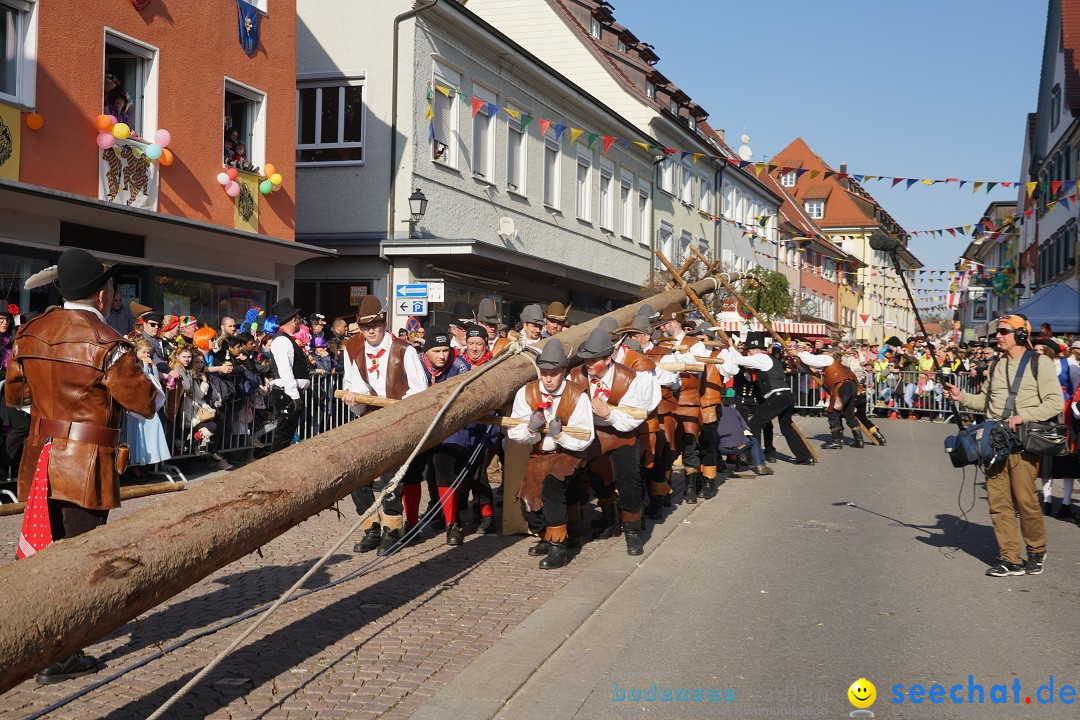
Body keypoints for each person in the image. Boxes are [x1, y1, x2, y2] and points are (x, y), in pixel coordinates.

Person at [6, 248, 160, 684]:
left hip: (39, 459)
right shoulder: (108, 342)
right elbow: (145, 402)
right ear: (100, 291)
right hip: (86, 464)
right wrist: (156, 389)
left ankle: (44, 643)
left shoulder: (29, 332)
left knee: (45, 554)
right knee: (79, 558)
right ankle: (60, 654)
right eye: (110, 286)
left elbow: (14, 396)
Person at [945, 314, 1064, 577]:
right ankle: (1011, 558)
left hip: (1022, 440)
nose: (998, 336)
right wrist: (961, 396)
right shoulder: (997, 365)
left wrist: (1024, 416)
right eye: (997, 332)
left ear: (1021, 335)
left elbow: (1055, 403)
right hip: (993, 442)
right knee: (998, 502)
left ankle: (1036, 549)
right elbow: (985, 402)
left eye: (1003, 331)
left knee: (1025, 500)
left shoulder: (1039, 362)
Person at [341, 296, 428, 555]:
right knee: (358, 476)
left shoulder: (404, 349)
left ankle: (392, 529)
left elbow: (420, 389)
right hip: (368, 417)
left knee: (392, 478)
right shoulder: (352, 347)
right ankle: (371, 529)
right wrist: (352, 396)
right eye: (366, 327)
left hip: (397, 419)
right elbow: (352, 382)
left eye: (376, 325)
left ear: (384, 323)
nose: (371, 331)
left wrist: (398, 408)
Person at [568, 327, 659, 555]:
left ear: (608, 359)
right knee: (598, 479)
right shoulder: (577, 376)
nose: (588, 364)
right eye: (586, 359)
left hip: (622, 433)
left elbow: (632, 419)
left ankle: (632, 532)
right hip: (593, 433)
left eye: (594, 360)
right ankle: (610, 522)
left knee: (629, 481)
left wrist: (608, 414)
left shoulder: (629, 378)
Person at [507, 340, 593, 568]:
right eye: (544, 373)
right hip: (540, 454)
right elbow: (515, 433)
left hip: (568, 453)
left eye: (553, 374)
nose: (547, 379)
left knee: (553, 487)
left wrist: (560, 436)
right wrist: (530, 429)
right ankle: (547, 536)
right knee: (528, 500)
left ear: (563, 372)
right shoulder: (526, 393)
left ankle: (558, 548)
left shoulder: (577, 396)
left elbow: (586, 437)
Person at [418, 328, 473, 544]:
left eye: (445, 350)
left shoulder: (460, 366)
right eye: (436, 351)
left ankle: (453, 522)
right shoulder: (417, 364)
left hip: (453, 428)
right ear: (426, 352)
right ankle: (413, 521)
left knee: (442, 465)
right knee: (417, 470)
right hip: (424, 428)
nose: (442, 356)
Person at [729, 332, 815, 465]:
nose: (748, 354)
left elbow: (739, 360)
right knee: (787, 427)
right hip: (786, 395)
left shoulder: (761, 358)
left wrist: (730, 347)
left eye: (748, 351)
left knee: (754, 424)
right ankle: (804, 456)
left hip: (777, 397)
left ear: (754, 350)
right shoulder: (771, 359)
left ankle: (754, 457)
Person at [654, 302, 707, 501]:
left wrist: (682, 352)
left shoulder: (695, 343)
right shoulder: (661, 345)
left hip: (688, 402)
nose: (662, 328)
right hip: (667, 402)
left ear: (674, 322)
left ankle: (690, 490)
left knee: (690, 447)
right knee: (667, 448)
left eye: (665, 323)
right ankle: (665, 491)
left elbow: (699, 365)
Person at [797, 347, 886, 448]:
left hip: (845, 388)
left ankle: (837, 440)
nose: (822, 356)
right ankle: (870, 438)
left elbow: (811, 360)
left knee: (832, 412)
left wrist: (799, 353)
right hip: (858, 391)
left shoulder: (830, 360)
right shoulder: (843, 367)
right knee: (854, 416)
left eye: (824, 354)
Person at [265, 299, 311, 455]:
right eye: (298, 318)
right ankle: (274, 469)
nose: (299, 321)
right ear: (293, 320)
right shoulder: (282, 341)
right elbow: (286, 370)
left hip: (290, 391)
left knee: (287, 434)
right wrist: (294, 395)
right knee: (283, 435)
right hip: (286, 392)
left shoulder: (287, 339)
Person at [125, 338, 172, 468]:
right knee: (137, 432)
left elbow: (155, 379)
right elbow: (142, 379)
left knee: (152, 430)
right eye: (144, 352)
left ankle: (148, 462)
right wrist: (146, 366)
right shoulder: (134, 364)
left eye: (148, 353)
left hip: (148, 402)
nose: (146, 355)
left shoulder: (149, 364)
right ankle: (135, 462)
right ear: (137, 351)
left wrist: (153, 367)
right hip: (137, 404)